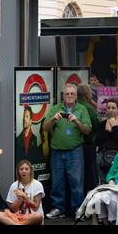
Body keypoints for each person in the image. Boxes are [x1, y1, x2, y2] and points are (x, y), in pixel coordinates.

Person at [43, 83, 91, 219]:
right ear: (63, 95)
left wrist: (77, 121)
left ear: (76, 96)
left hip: (75, 151)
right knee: (57, 183)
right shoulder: (55, 109)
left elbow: (87, 130)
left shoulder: (82, 109)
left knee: (76, 183)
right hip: (57, 151)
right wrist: (53, 119)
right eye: (67, 94)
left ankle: (78, 210)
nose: (69, 96)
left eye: (72, 94)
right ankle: (58, 209)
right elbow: (46, 128)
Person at [77, 132, 118, 225]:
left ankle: (115, 221)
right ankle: (102, 220)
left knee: (116, 200)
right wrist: (111, 180)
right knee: (96, 196)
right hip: (114, 186)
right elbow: (110, 173)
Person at [0, 160, 45, 225]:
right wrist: (19, 200)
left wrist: (25, 197)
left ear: (30, 171)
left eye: (26, 169)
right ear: (18, 171)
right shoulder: (14, 185)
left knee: (38, 216)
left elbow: (35, 207)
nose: (24, 171)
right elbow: (13, 209)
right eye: (21, 169)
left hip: (31, 217)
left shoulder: (37, 184)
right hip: (17, 217)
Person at [95, 98, 118, 183]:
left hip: (117, 157)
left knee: (115, 182)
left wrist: (114, 127)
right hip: (102, 157)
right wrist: (107, 131)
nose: (110, 110)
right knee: (103, 183)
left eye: (113, 108)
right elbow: (98, 142)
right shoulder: (102, 124)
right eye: (108, 108)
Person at [77, 84, 100, 194]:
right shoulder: (89, 108)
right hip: (88, 144)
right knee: (90, 173)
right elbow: (96, 126)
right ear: (87, 93)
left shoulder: (75, 105)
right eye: (90, 92)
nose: (92, 94)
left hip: (76, 146)